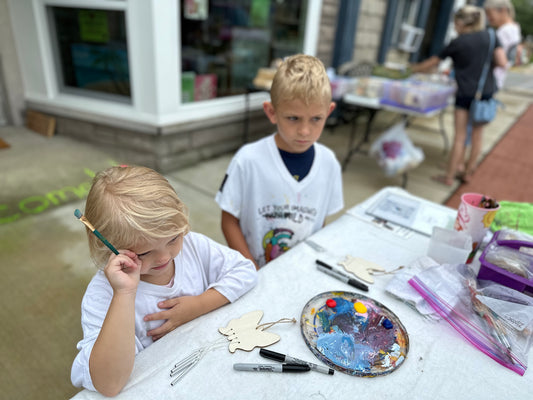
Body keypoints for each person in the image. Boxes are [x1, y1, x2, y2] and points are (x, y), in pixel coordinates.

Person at [71, 166, 257, 396]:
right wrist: (124, 294)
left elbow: (246, 270)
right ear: (106, 245)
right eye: (143, 253)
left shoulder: (192, 246)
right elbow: (109, 383)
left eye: (172, 239)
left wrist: (198, 305)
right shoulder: (103, 295)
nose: (164, 257)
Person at [215, 54, 344, 269]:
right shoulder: (247, 161)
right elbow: (229, 221)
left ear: (329, 112)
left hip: (301, 272)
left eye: (316, 119)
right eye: (293, 118)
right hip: (256, 274)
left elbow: (320, 223)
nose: (304, 130)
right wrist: (252, 271)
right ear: (271, 112)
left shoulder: (329, 164)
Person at [411, 5, 507, 186]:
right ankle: (467, 172)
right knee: (478, 135)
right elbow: (502, 62)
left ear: (461, 22)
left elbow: (432, 63)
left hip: (465, 93)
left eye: (455, 23)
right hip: (485, 92)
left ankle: (449, 176)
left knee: (460, 136)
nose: (454, 27)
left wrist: (412, 69)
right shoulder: (491, 36)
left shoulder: (459, 42)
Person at [484, 0, 523, 89]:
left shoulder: (504, 32)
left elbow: (500, 60)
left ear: (503, 10)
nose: (488, 17)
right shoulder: (515, 27)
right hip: (500, 78)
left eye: (489, 13)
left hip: (492, 78)